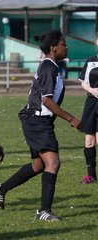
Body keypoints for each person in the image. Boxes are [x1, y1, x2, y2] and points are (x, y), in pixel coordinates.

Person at [0, 30, 81, 221]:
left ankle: (1, 188)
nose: (66, 47)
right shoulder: (49, 68)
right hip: (37, 121)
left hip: (36, 120)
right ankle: (44, 211)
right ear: (54, 48)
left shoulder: (49, 66)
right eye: (63, 44)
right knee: (53, 163)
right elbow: (47, 101)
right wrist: (72, 119)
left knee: (39, 165)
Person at [78, 34, 98, 184]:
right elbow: (82, 82)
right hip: (91, 102)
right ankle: (91, 175)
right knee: (89, 140)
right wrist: (91, 90)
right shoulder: (91, 61)